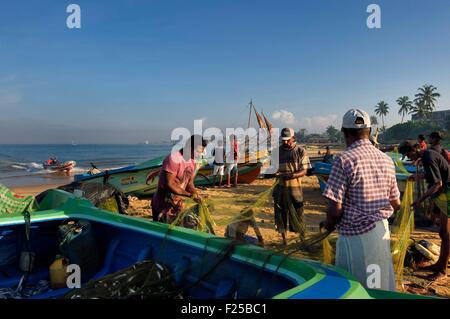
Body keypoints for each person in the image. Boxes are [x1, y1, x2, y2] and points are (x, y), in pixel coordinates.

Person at [322, 108, 401, 291]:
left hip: (355, 237)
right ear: (370, 131)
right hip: (382, 230)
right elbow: (396, 203)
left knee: (358, 286)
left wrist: (328, 224)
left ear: (344, 132)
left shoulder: (343, 160)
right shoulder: (386, 160)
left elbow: (335, 209)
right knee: (380, 283)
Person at [399, 139, 450, 282]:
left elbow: (437, 183)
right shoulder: (427, 155)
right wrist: (417, 177)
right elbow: (434, 176)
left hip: (447, 193)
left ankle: (442, 270)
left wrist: (419, 200)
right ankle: (439, 264)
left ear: (415, 149)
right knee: (443, 232)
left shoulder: (428, 156)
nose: (409, 157)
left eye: (409, 154)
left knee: (445, 233)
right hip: (444, 193)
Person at [151, 135, 208, 223]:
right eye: (197, 151)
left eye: (201, 152)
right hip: (162, 207)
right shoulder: (174, 158)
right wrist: (190, 196)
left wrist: (197, 195)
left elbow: (189, 184)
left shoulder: (192, 162)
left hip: (177, 206)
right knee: (162, 233)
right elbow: (169, 184)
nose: (199, 155)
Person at [273, 128, 312, 245]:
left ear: (293, 138)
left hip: (295, 190)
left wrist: (289, 175)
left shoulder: (301, 151)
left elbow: (304, 171)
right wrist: (273, 172)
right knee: (280, 216)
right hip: (280, 189)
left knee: (299, 215)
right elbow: (273, 169)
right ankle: (284, 241)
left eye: (287, 140)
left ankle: (302, 240)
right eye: (283, 140)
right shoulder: (276, 152)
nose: (285, 142)